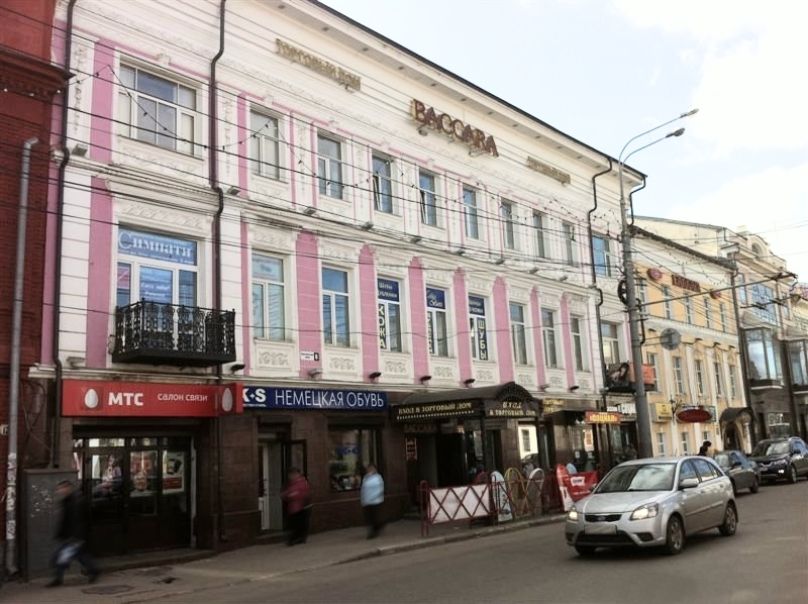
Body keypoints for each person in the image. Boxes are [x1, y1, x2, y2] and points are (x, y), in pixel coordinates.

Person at [48, 480, 100, 587]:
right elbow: (65, 520)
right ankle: (93, 571)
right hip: (71, 536)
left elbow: (78, 521)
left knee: (60, 557)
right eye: (59, 489)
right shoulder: (67, 501)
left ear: (68, 488)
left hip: (74, 536)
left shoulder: (76, 502)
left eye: (61, 488)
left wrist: (76, 536)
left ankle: (58, 579)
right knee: (80, 556)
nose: (59, 491)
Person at [281, 467, 311, 546]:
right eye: (290, 475)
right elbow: (287, 493)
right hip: (294, 508)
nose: (290, 476)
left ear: (297, 474)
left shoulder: (301, 482)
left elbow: (299, 493)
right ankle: (295, 539)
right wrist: (286, 495)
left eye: (292, 474)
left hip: (300, 507)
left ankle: (296, 539)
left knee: (298, 524)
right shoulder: (292, 483)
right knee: (294, 524)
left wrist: (290, 495)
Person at [360, 464, 385, 539]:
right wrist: (363, 499)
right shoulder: (366, 477)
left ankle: (374, 531)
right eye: (368, 469)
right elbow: (363, 489)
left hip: (375, 501)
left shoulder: (378, 477)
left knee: (374, 517)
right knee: (369, 518)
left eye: (371, 469)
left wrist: (375, 496)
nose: (369, 470)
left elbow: (380, 488)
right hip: (367, 501)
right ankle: (374, 530)